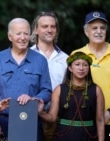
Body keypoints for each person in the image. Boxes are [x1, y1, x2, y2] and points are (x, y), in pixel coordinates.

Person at [0, 17, 52, 140]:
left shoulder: (40, 60)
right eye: (18, 34)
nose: (23, 38)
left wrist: (34, 99)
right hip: (3, 122)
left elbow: (47, 90)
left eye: (26, 34)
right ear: (10, 36)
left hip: (31, 120)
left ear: (30, 35)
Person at [72, 11, 110, 125]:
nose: (99, 32)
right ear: (86, 32)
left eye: (102, 28)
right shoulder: (77, 54)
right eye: (94, 28)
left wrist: (108, 114)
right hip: (87, 123)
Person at [38, 51, 105, 141]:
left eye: (85, 65)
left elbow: (100, 119)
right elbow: (52, 118)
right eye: (77, 64)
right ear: (70, 68)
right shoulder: (59, 90)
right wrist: (39, 112)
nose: (81, 68)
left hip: (88, 135)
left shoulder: (96, 90)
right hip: (64, 135)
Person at [30, 11, 69, 141]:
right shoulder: (26, 56)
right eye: (45, 26)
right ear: (36, 30)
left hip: (58, 120)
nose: (49, 30)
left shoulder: (66, 59)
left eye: (53, 27)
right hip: (29, 115)